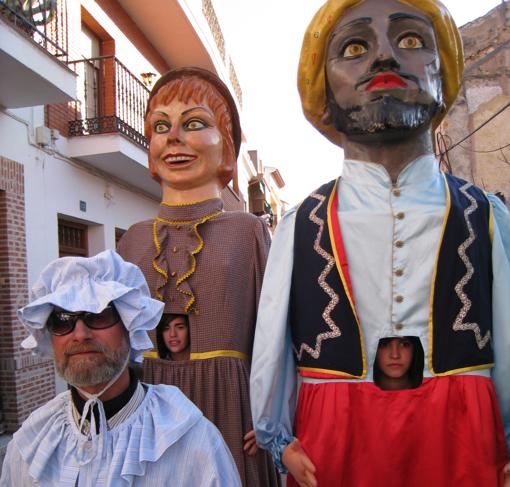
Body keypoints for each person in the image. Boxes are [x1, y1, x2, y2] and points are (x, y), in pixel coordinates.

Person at [250, 0, 510, 485]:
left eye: (411, 41)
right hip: (335, 447)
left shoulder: (484, 214)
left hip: (463, 445)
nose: (384, 58)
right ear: (323, 91)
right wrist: (278, 440)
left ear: (441, 75)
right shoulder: (303, 222)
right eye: (354, 47)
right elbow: (272, 346)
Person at [117, 67, 279, 486]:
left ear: (227, 147)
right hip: (145, 416)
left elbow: (279, 333)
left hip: (229, 412)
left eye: (193, 124)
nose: (173, 137)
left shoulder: (249, 231)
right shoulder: (131, 241)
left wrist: (273, 415)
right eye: (160, 126)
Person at [0, 250, 241, 487]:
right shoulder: (29, 445)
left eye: (98, 314)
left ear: (129, 325)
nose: (80, 334)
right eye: (63, 319)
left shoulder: (191, 442)